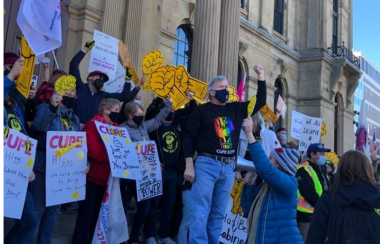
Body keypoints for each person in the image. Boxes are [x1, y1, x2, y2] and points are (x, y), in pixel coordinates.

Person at [182, 64, 267, 244]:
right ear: (211, 92)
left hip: (228, 166)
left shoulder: (235, 109)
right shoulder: (201, 111)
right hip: (206, 165)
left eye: (227, 87)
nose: (226, 90)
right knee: (200, 212)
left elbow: (259, 102)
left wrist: (261, 76)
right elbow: (188, 138)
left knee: (218, 214)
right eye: (221, 87)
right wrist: (189, 164)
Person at [30, 80, 82, 244]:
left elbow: (78, 145)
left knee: (53, 211)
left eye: (74, 93)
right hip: (43, 167)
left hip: (62, 171)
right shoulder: (46, 108)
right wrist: (52, 107)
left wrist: (82, 163)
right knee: (37, 209)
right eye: (68, 93)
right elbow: (38, 127)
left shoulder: (74, 118)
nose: (72, 95)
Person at [143, 94, 196, 244]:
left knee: (170, 204)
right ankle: (150, 235)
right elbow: (150, 112)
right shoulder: (155, 125)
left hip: (174, 172)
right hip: (158, 172)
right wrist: (159, 98)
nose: (172, 111)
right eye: (169, 108)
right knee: (153, 205)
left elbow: (192, 114)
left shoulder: (178, 123)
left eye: (174, 108)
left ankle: (164, 235)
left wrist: (192, 100)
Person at [243, 117, 303, 243]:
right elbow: (248, 210)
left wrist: (250, 135)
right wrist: (249, 186)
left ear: (281, 164)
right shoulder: (267, 186)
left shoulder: (290, 183)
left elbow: (266, 169)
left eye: (271, 158)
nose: (267, 160)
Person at [119, 100, 171, 244]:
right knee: (122, 209)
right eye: (138, 114)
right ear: (130, 115)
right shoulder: (122, 131)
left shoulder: (143, 126)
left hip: (145, 177)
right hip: (129, 177)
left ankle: (134, 237)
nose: (141, 117)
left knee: (145, 207)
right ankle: (120, 238)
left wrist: (169, 104)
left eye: (142, 114)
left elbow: (158, 119)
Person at [71, 98, 121, 244]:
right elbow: (94, 151)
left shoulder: (115, 126)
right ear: (106, 110)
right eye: (116, 111)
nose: (118, 114)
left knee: (99, 216)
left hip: (106, 179)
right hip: (92, 177)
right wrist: (113, 156)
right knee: (86, 215)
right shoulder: (93, 124)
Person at [306, 150, 380, 244]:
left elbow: (315, 237)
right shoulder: (377, 197)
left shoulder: (329, 199)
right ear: (368, 169)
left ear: (341, 169)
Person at [4, 56, 38, 244]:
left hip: (16, 174)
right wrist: (9, 77)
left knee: (29, 220)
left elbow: (23, 138)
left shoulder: (15, 107)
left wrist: (27, 167)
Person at [69, 40, 136, 124]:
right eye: (99, 77)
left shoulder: (104, 96)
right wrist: (85, 49)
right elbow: (73, 64)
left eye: (103, 79)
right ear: (90, 78)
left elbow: (124, 96)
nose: (101, 80)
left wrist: (128, 80)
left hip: (93, 131)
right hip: (77, 131)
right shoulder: (80, 87)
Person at [236, 112, 282, 217]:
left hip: (261, 178)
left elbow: (278, 154)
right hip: (243, 177)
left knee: (257, 209)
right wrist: (237, 172)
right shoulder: (240, 133)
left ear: (254, 121)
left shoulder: (269, 135)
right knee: (245, 208)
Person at [296, 143, 331, 241]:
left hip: (319, 213)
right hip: (307, 216)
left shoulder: (319, 168)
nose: (324, 156)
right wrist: (324, 206)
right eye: (321, 153)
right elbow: (309, 194)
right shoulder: (303, 168)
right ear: (313, 155)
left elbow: (326, 188)